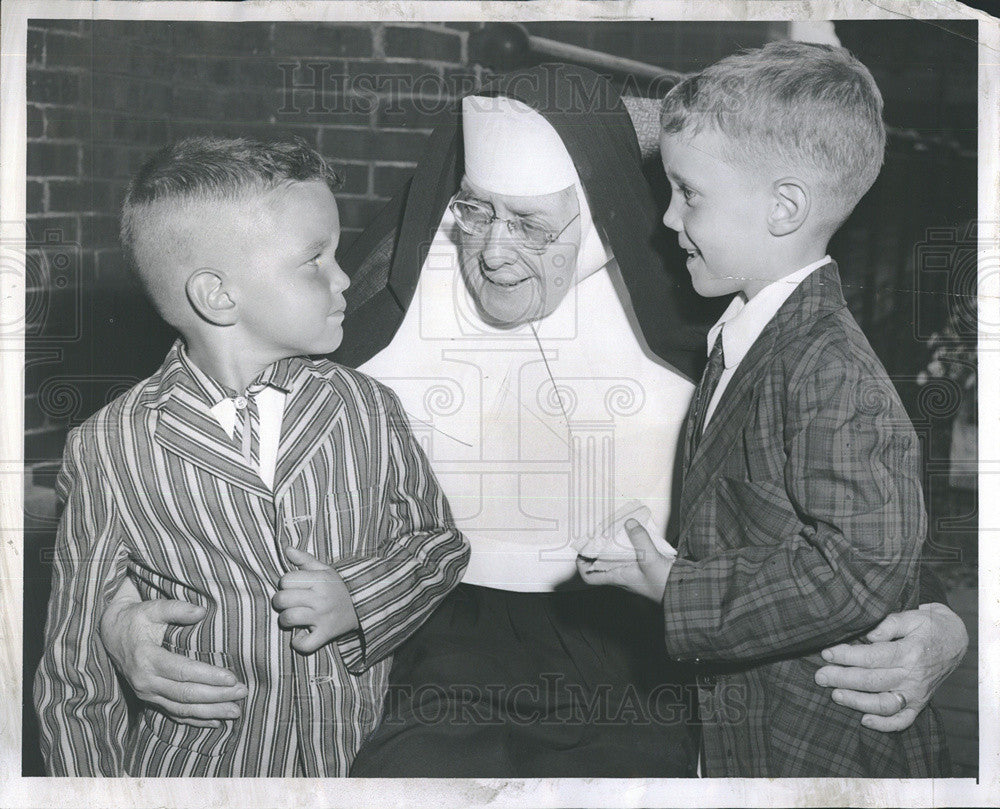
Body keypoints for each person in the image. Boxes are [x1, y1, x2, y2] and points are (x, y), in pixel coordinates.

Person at [95, 64, 968, 776]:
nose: (492, 250)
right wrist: (118, 620)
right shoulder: (355, 317)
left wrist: (949, 626)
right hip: (427, 653)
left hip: (646, 661)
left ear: (593, 218)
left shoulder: (720, 315)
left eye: (531, 223)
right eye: (473, 210)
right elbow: (176, 460)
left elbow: (850, 499)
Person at [32, 137, 470, 777]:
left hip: (361, 761)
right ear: (218, 295)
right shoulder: (111, 445)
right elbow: (74, 675)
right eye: (313, 261)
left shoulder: (366, 407)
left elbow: (440, 543)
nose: (344, 277)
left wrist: (360, 598)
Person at [579, 42, 951, 776]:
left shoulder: (828, 367)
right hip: (746, 716)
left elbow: (862, 564)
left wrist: (675, 586)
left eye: (689, 194)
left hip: (814, 738)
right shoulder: (758, 333)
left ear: (785, 207)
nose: (665, 218)